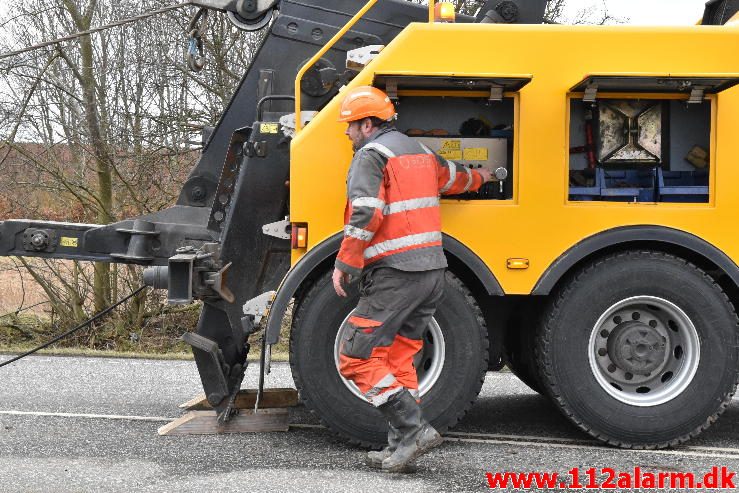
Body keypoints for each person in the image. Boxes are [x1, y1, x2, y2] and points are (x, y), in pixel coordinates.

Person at [332, 85, 493, 473]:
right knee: (400, 357)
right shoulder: (419, 151)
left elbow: (366, 213)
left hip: (395, 275)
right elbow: (455, 179)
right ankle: (400, 446)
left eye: (350, 127)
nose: (347, 134)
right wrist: (483, 177)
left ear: (368, 124)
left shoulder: (371, 157)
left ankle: (413, 429)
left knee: (354, 355)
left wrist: (346, 264)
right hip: (432, 272)